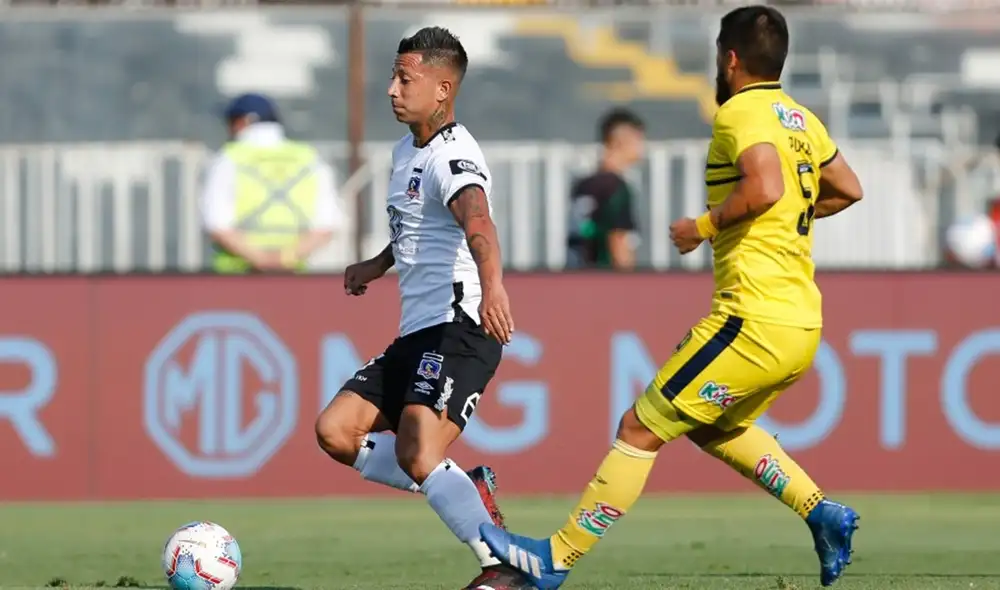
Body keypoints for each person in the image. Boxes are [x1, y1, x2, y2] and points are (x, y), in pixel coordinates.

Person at [479, 5, 865, 589]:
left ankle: (555, 559)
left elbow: (764, 186)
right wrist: (783, 214)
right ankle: (822, 512)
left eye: (717, 54)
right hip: (801, 322)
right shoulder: (801, 119)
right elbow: (847, 189)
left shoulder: (740, 112)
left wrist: (703, 227)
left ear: (729, 59)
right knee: (713, 427)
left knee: (639, 426)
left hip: (751, 318)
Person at [313, 27, 528, 590]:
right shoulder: (405, 148)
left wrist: (495, 289)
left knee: (418, 450)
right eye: (392, 76)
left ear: (442, 88)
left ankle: (501, 566)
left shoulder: (454, 154)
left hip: (460, 327)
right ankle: (467, 489)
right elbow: (416, 227)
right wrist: (376, 265)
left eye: (405, 79)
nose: (391, 89)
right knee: (336, 431)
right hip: (417, 332)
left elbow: (477, 222)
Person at [201, 93, 342, 273]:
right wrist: (284, 259)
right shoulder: (310, 159)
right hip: (293, 278)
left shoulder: (228, 159)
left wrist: (262, 260)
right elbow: (325, 226)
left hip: (235, 276)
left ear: (241, 122)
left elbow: (216, 225)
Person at [566, 108, 645, 270]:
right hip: (605, 280)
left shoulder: (584, 184)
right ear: (621, 140)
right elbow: (618, 239)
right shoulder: (615, 187)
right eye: (639, 140)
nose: (641, 148)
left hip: (576, 275)